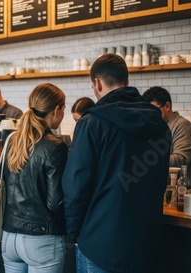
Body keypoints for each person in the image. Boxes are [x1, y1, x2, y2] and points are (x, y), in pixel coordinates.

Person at [62, 54, 171, 273]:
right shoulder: (159, 124)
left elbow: (75, 186)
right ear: (127, 82)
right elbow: (161, 182)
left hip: (99, 246)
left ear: (98, 83)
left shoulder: (91, 123)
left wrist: (74, 234)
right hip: (144, 246)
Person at [1, 83, 69, 273]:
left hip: (9, 237)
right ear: (56, 110)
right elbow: (55, 202)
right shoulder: (55, 146)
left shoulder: (13, 141)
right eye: (64, 108)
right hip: (40, 239)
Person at [142, 86, 191, 170]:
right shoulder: (156, 126)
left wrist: (148, 160)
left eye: (153, 110)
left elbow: (182, 160)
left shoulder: (183, 126)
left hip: (176, 182)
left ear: (167, 106)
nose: (150, 115)